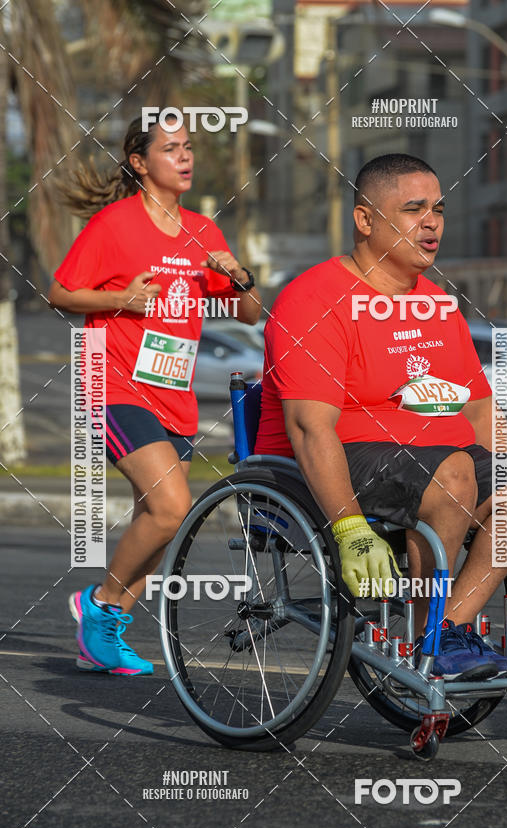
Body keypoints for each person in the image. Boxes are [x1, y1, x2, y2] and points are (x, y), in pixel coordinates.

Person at [254, 153, 507, 681]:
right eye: (413, 209)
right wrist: (349, 527)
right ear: (364, 219)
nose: (432, 222)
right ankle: (434, 639)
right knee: (454, 473)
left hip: (437, 462)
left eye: (439, 210)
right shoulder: (314, 299)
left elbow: (477, 407)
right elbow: (310, 428)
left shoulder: (436, 303)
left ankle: (446, 634)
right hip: (345, 457)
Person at [49, 114, 262, 675]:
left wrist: (240, 276)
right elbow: (60, 292)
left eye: (189, 148)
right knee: (172, 507)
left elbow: (249, 313)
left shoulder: (204, 232)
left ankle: (106, 625)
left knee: (157, 520)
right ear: (141, 163)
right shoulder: (114, 225)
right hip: (114, 382)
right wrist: (121, 301)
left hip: (175, 396)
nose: (186, 157)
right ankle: (99, 606)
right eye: (171, 149)